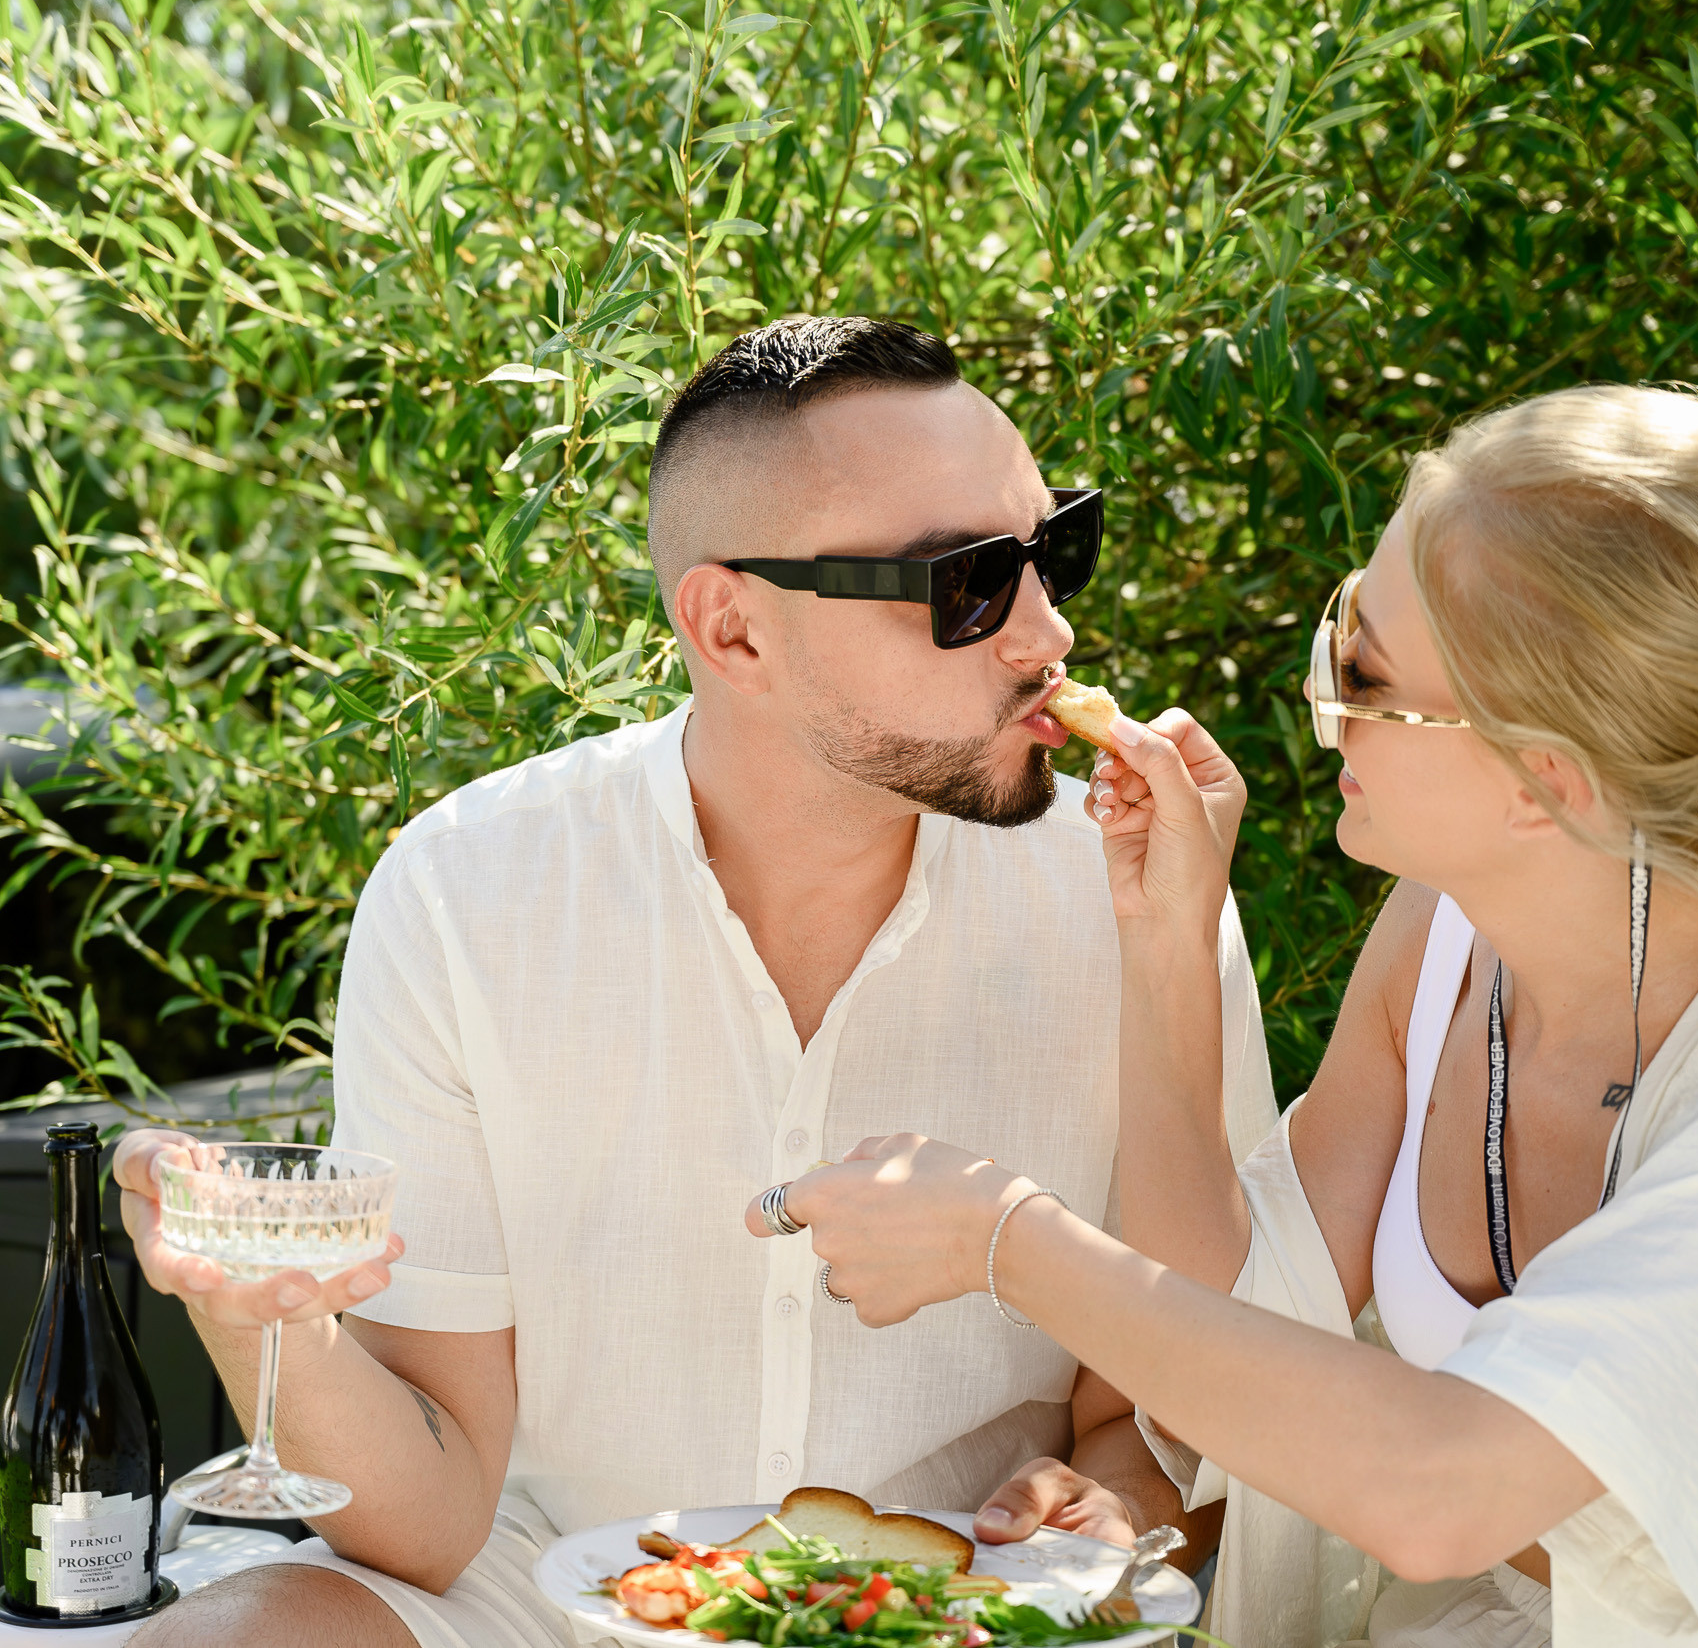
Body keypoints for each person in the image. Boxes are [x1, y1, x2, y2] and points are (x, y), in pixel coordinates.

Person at [756, 385, 1698, 1647]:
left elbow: (1441, 1492)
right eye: (1341, 622)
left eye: (1366, 667)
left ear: (1542, 780)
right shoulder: (1444, 939)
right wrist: (1167, 936)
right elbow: (1229, 1312)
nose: (1324, 694)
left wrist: (1007, 1242)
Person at [118, 316, 1278, 1647]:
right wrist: (235, 1301)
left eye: (1050, 550)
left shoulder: (1131, 893)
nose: (1046, 630)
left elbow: (1172, 1416)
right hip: (544, 1593)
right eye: (967, 581)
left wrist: (1117, 1502)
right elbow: (429, 1516)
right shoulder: (466, 893)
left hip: (946, 1596)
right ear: (733, 628)